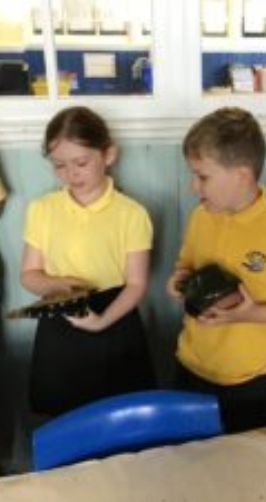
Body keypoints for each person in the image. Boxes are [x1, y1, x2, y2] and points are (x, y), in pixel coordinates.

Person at [166, 107, 266, 433]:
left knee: (251, 458)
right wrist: (177, 281)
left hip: (251, 379)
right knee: (189, 455)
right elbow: (185, 266)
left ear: (242, 175)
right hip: (191, 365)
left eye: (203, 177)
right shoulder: (200, 217)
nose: (194, 186)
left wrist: (251, 314)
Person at [21, 106, 156, 416]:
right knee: (64, 414)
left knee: (119, 416)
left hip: (115, 318)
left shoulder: (131, 214)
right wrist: (57, 284)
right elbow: (28, 274)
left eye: (81, 163)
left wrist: (102, 321)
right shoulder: (42, 209)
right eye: (59, 165)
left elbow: (136, 284)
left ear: (109, 155)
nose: (71, 174)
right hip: (61, 319)